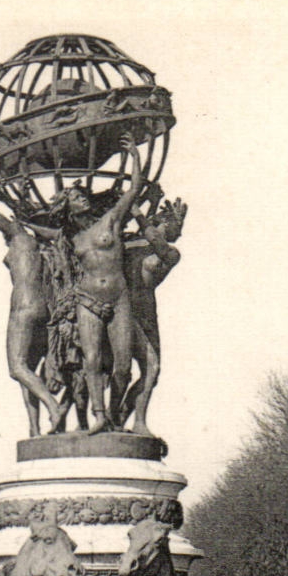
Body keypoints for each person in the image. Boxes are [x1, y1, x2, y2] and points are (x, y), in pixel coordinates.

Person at [56, 137, 146, 434]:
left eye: (83, 195)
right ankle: (99, 415)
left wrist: (133, 155)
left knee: (122, 366)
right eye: (75, 198)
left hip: (118, 297)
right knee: (91, 359)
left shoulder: (110, 221)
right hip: (87, 300)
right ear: (68, 208)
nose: (82, 199)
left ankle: (115, 413)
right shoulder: (70, 239)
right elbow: (38, 230)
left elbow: (133, 189)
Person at [0, 178, 65, 436]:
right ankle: (34, 431)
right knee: (30, 371)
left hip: (24, 308)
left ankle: (53, 406)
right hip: (47, 311)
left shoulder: (19, 238)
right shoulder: (51, 246)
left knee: (17, 367)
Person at [120, 186, 186, 436]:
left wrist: (139, 210)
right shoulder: (131, 241)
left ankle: (134, 421)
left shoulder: (170, 253)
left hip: (145, 314)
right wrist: (146, 203)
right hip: (123, 310)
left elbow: (153, 238)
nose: (179, 233)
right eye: (176, 226)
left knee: (152, 369)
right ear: (162, 222)